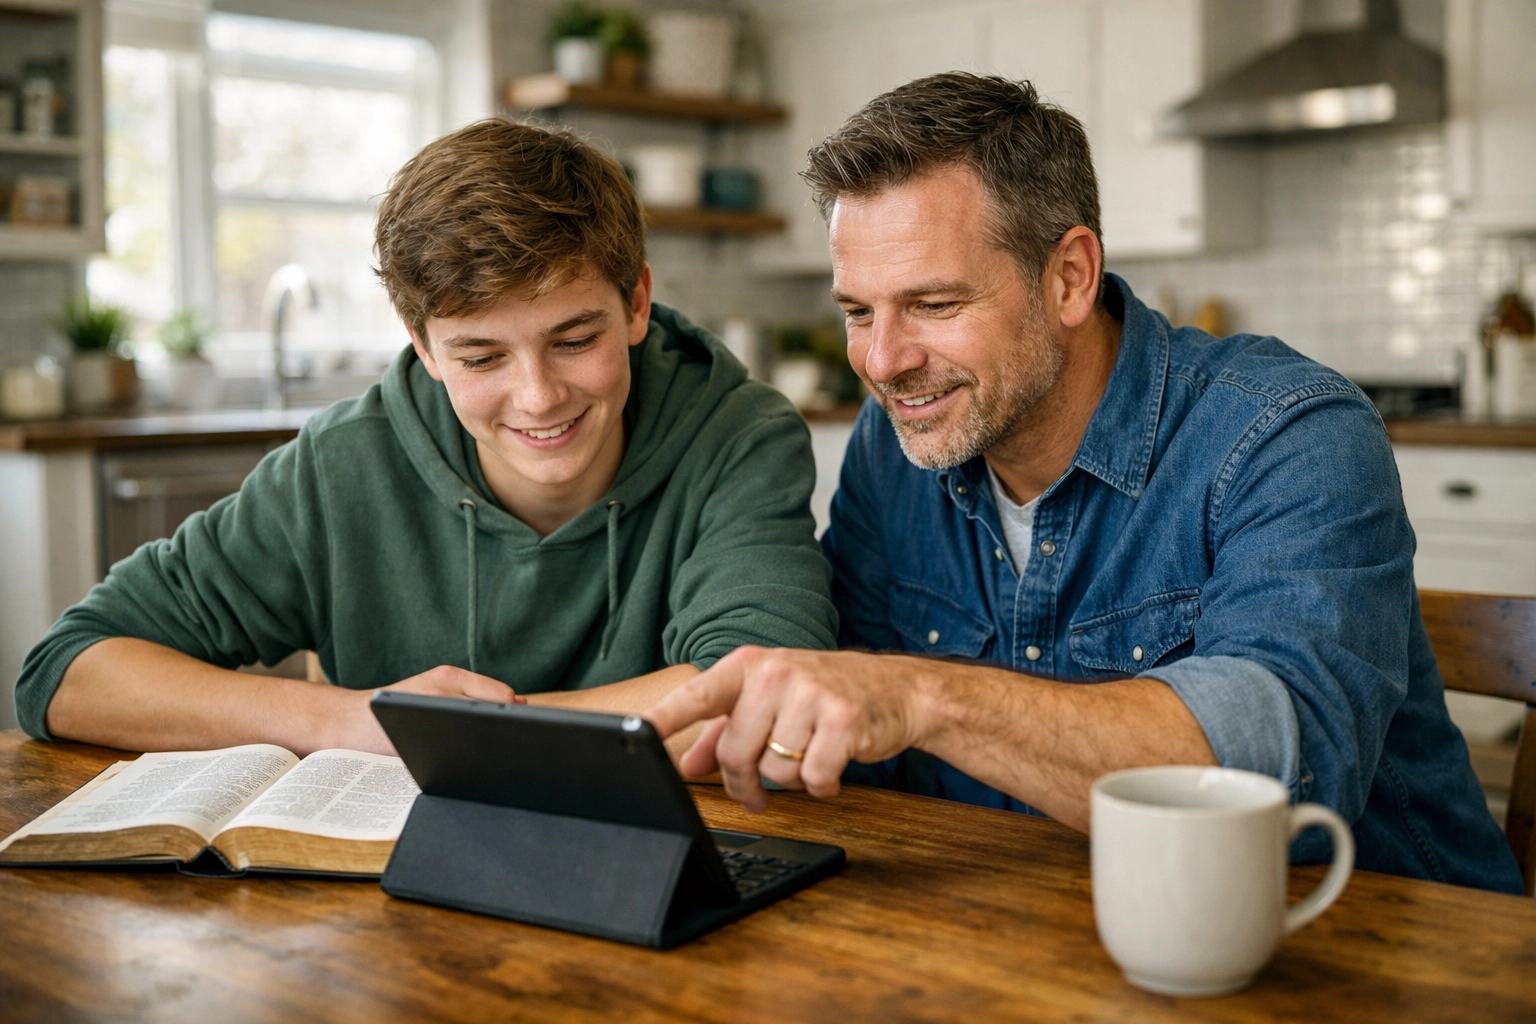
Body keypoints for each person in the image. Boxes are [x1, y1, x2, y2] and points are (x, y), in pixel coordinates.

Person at [647, 73, 1524, 893]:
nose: (882, 361)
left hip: (1373, 954)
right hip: (1044, 938)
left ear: (1069, 276)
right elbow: (859, 743)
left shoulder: (1286, 431)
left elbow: (1281, 775)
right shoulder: (899, 443)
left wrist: (918, 695)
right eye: (856, 311)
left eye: (934, 305)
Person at [17, 118, 836, 757]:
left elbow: (766, 697)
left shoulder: (738, 436)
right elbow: (66, 672)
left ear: (635, 304)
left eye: (574, 339)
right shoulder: (343, 465)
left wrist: (444, 737)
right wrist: (350, 720)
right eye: (482, 355)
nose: (538, 395)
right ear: (422, 344)